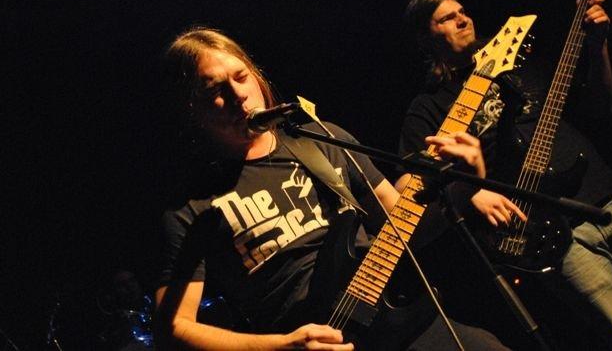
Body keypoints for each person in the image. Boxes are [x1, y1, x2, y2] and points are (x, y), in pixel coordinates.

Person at [154, 27, 511, 350]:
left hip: (399, 322)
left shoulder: (322, 140)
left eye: (241, 77)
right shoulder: (190, 205)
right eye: (215, 90)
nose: (238, 96)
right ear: (191, 109)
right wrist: (279, 346)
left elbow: (405, 230)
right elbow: (173, 328)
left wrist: (464, 182)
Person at [399, 0, 612, 349]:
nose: (463, 19)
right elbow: (414, 182)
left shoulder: (517, 63)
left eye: (462, 11)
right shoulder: (429, 107)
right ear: (426, 38)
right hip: (555, 234)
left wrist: (598, 46)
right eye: (447, 17)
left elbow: (599, 107)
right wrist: (471, 192)